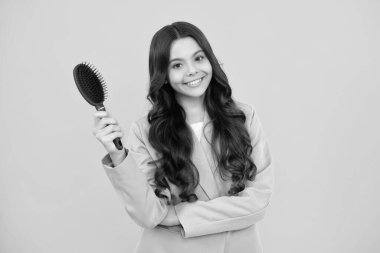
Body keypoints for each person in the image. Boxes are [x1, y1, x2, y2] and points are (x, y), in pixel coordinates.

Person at [92, 21, 274, 253]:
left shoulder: (244, 117)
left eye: (198, 58)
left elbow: (258, 201)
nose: (192, 71)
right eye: (177, 64)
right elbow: (149, 214)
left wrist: (176, 215)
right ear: (164, 75)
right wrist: (118, 155)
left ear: (210, 60)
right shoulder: (145, 131)